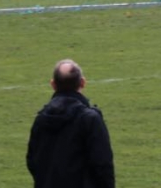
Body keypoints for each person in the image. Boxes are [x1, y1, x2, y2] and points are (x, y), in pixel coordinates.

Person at [27, 59, 115, 188]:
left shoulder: (41, 119)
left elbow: (32, 161)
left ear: (53, 84)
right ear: (82, 82)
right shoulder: (90, 119)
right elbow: (102, 164)